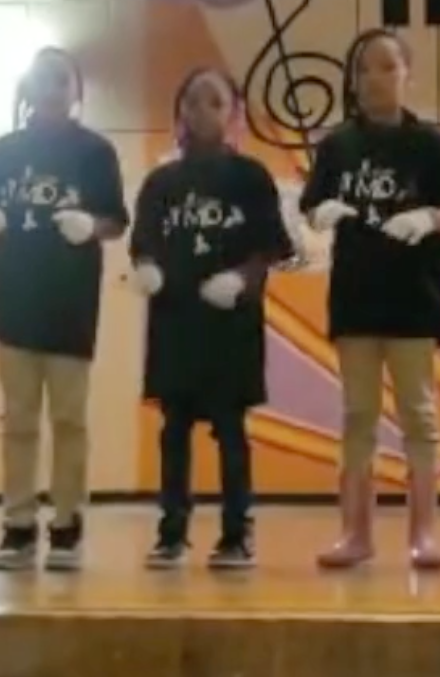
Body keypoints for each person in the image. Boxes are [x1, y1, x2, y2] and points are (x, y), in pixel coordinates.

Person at [299, 29, 440, 570]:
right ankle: (355, 533)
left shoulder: (432, 145)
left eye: (386, 67)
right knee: (357, 416)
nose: (374, 79)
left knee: (419, 416)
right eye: (363, 70)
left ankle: (424, 534)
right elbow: (312, 206)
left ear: (407, 74)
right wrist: (320, 213)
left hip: (413, 299)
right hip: (356, 299)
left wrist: (428, 218)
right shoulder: (337, 145)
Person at [0, 47, 128, 573]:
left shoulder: (96, 153)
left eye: (61, 80)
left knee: (69, 418)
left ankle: (67, 525)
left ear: (76, 90)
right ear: (27, 88)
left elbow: (115, 221)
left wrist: (92, 226)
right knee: (18, 419)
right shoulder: (2, 152)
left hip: (70, 301)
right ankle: (16, 526)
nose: (52, 88)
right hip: (13, 296)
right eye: (42, 79)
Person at [130, 69, 294, 570]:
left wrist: (242, 279)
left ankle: (236, 532)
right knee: (173, 430)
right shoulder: (161, 181)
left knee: (230, 429)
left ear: (234, 113)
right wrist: (147, 269)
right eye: (193, 102)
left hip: (230, 327)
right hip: (176, 323)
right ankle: (172, 531)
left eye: (215, 102)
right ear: (180, 112)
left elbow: (271, 248)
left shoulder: (251, 177)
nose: (203, 112)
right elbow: (143, 244)